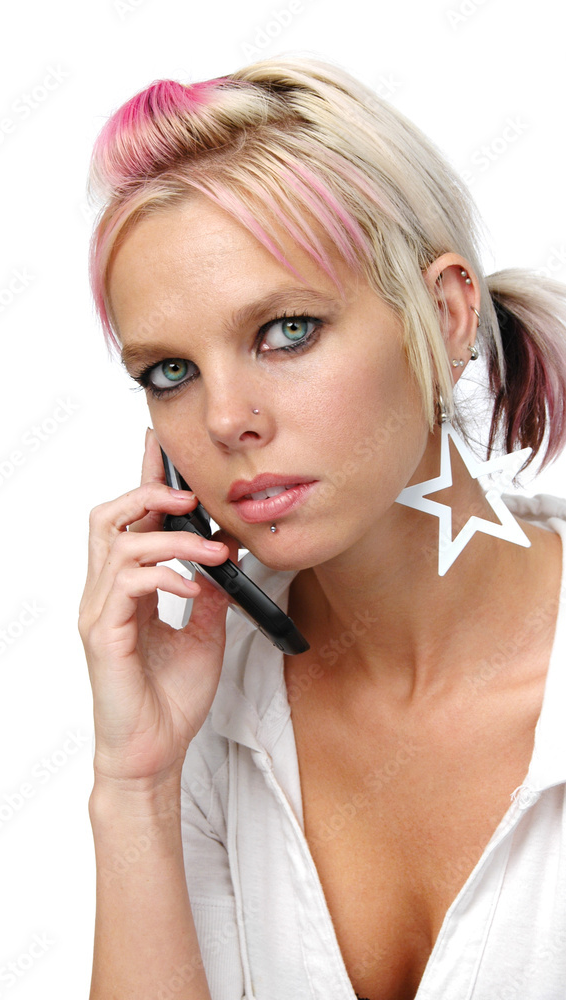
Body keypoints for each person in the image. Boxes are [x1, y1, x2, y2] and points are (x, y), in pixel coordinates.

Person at [78, 55, 566, 1000]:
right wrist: (134, 787)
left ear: (445, 315)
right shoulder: (207, 712)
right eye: (170, 372)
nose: (226, 419)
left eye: (286, 330)